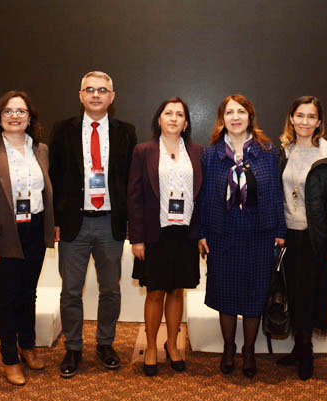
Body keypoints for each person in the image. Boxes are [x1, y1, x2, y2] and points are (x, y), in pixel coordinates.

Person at [49, 71, 137, 378]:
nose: (96, 95)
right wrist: (55, 221)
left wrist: (131, 222)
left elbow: (131, 180)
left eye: (102, 90)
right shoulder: (63, 130)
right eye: (90, 89)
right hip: (74, 223)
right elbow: (54, 177)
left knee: (110, 289)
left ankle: (105, 344)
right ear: (81, 95)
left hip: (110, 223)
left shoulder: (126, 132)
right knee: (70, 291)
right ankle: (73, 347)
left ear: (112, 97)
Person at [0, 91, 55, 386]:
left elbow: (47, 192)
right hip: (5, 233)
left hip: (35, 229)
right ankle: (10, 358)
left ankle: (27, 346)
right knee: (7, 298)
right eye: (8, 111)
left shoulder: (41, 150)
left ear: (30, 118)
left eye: (21, 111)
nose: (15, 116)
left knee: (28, 293)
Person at [198, 94, 286, 378]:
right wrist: (202, 233)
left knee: (254, 295)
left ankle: (248, 350)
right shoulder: (210, 154)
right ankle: (228, 348)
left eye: (241, 111)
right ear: (222, 118)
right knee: (224, 294)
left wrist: (280, 230)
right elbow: (204, 197)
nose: (235, 117)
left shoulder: (267, 150)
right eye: (229, 112)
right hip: (222, 234)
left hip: (258, 234)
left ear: (250, 116)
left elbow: (276, 192)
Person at [128, 97, 203, 376]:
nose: (173, 118)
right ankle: (150, 346)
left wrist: (202, 233)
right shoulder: (144, 151)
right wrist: (136, 238)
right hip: (154, 233)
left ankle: (172, 344)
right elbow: (134, 197)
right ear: (159, 119)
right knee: (155, 291)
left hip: (185, 233)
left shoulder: (198, 152)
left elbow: (203, 196)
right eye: (168, 113)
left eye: (179, 114)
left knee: (177, 290)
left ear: (186, 123)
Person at [276, 96, 327, 380]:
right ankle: (297, 347)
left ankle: (306, 352)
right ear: (291, 119)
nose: (305, 122)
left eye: (311, 116)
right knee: (291, 292)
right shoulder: (283, 151)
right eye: (300, 116)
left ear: (319, 122)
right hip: (286, 236)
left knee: (308, 294)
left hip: (314, 237)